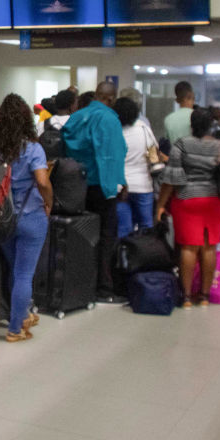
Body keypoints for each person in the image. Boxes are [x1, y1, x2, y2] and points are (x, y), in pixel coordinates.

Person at [0, 94, 52, 342]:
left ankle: (22, 315)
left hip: (3, 218)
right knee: (24, 274)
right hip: (31, 216)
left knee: (15, 268)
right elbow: (43, 181)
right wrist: (49, 202)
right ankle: (15, 328)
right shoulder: (33, 148)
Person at [61, 82, 127, 303]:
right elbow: (111, 154)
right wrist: (118, 185)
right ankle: (104, 288)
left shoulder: (77, 117)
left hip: (76, 186)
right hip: (102, 185)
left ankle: (80, 285)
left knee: (80, 236)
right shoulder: (109, 119)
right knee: (106, 237)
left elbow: (66, 145)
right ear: (111, 98)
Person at [155, 108, 220, 308]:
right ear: (210, 125)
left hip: (187, 200)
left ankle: (186, 297)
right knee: (208, 247)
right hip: (213, 201)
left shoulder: (182, 144)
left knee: (188, 247)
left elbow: (171, 178)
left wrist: (161, 205)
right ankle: (204, 296)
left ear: (191, 124)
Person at [114, 96, 158, 238]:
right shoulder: (144, 129)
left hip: (121, 187)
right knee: (146, 227)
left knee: (124, 229)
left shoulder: (114, 132)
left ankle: (124, 258)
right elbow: (153, 157)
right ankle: (146, 257)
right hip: (143, 185)